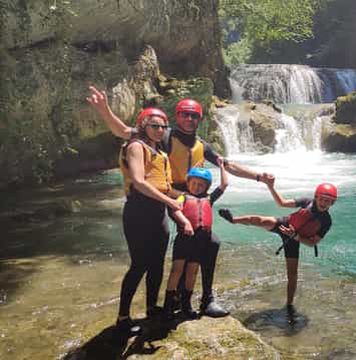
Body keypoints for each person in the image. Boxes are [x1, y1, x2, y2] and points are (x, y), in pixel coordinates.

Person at [87, 86, 271, 317]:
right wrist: (104, 110)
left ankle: (203, 299)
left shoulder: (201, 145)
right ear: (177, 116)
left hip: (190, 197)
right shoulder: (161, 134)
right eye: (185, 114)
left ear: (199, 119)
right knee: (173, 246)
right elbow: (123, 131)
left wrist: (257, 176)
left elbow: (227, 165)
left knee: (210, 243)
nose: (190, 119)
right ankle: (171, 299)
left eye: (195, 115)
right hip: (167, 196)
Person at [112, 107, 183, 335]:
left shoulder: (159, 152)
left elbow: (166, 186)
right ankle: (123, 317)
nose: (160, 130)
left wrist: (183, 197)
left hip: (157, 213)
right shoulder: (135, 146)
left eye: (163, 126)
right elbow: (139, 182)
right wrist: (171, 203)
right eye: (155, 125)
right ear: (144, 126)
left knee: (157, 263)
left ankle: (152, 307)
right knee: (139, 264)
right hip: (138, 212)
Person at [218, 178, 336, 314]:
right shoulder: (306, 202)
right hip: (285, 224)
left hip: (295, 239)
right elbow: (282, 203)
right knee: (262, 220)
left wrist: (296, 237)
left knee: (292, 274)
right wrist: (271, 186)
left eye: (328, 201)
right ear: (316, 197)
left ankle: (289, 305)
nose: (324, 203)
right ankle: (233, 220)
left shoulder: (326, 221)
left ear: (332, 203)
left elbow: (313, 243)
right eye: (322, 199)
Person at [163, 164, 228, 321]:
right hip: (185, 239)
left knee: (192, 271)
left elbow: (224, 185)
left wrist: (222, 165)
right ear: (188, 183)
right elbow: (175, 209)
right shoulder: (183, 197)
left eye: (201, 185)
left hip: (200, 241)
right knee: (176, 271)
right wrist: (185, 222)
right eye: (194, 183)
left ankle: (186, 304)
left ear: (206, 187)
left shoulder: (209, 198)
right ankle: (169, 305)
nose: (197, 187)